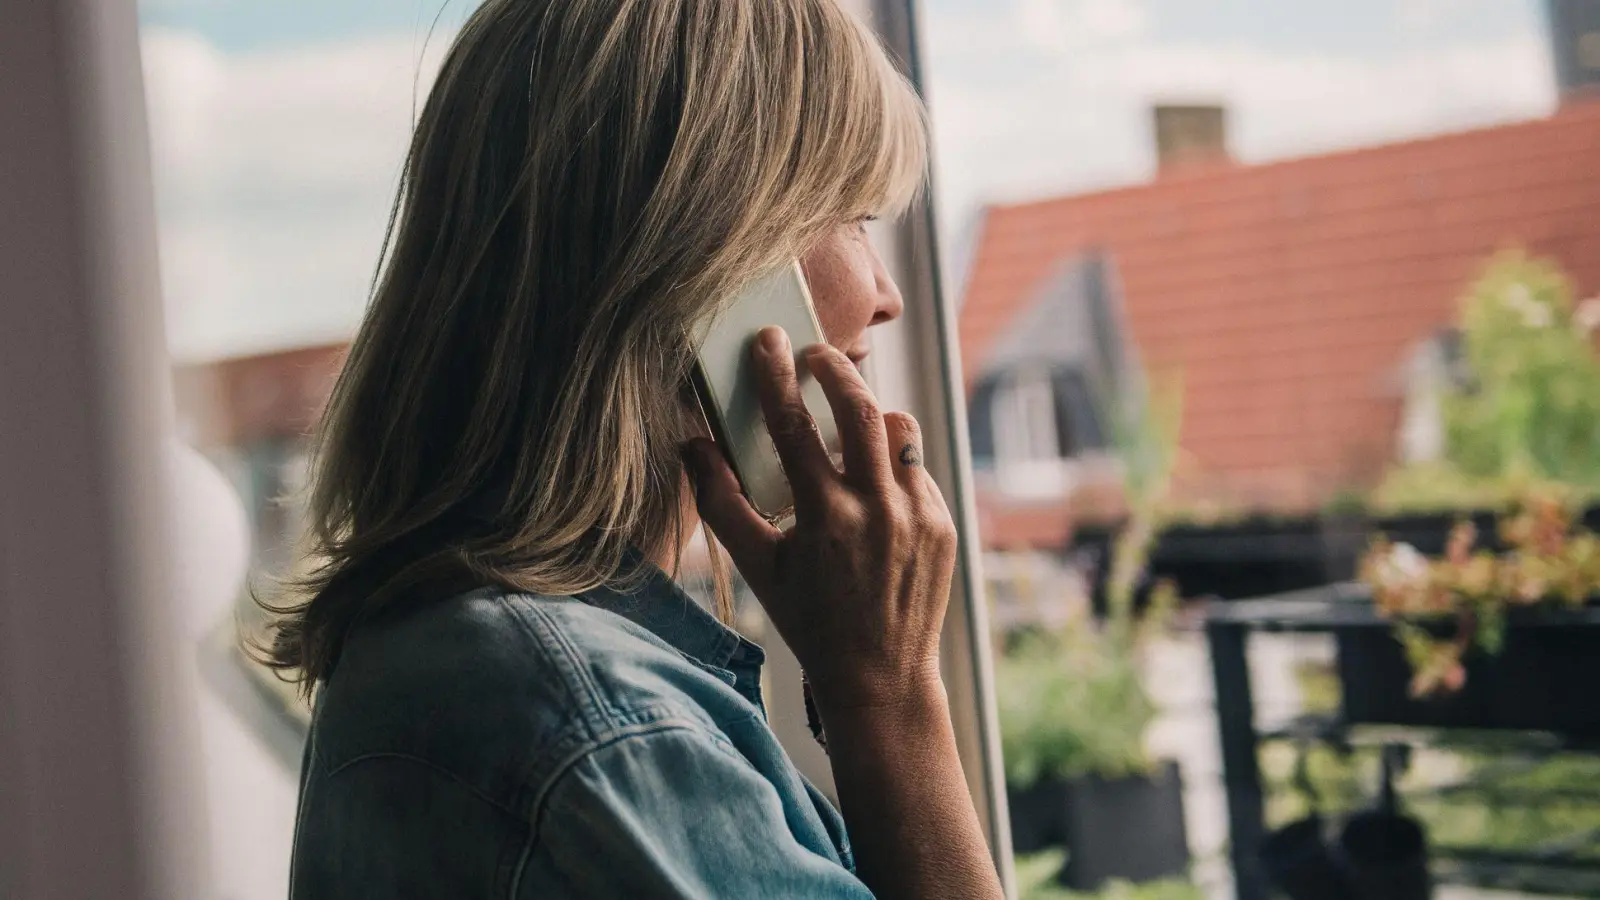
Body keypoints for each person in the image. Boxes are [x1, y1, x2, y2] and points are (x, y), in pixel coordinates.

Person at [265, 0, 1004, 897]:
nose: (883, 294)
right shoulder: (597, 726)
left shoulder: (461, 652)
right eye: (851, 217)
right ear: (713, 259)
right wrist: (890, 692)